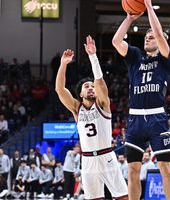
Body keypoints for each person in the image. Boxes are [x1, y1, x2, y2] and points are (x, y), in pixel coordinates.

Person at [112, 0, 170, 200]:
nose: (148, 38)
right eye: (146, 36)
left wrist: (149, 6)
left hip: (157, 117)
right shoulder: (136, 57)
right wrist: (129, 19)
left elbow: (158, 32)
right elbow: (116, 41)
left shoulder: (165, 59)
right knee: (133, 170)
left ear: (160, 41)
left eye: (151, 37)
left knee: (166, 167)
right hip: (135, 118)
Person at [55, 35, 128, 200]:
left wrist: (93, 56)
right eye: (86, 86)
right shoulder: (76, 108)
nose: (91, 88)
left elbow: (100, 82)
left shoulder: (102, 104)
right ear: (80, 93)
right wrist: (63, 64)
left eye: (92, 86)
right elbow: (60, 90)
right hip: (87, 160)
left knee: (123, 197)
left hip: (106, 156)